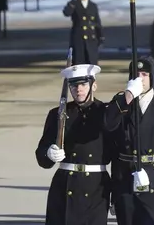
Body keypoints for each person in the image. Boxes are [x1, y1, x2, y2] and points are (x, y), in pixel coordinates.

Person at [104, 56, 154, 225]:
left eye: (144, 74)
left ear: (152, 77)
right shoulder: (121, 103)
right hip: (125, 182)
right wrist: (127, 96)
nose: (140, 78)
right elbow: (108, 125)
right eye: (136, 75)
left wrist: (153, 175)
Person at [35, 64, 112, 225]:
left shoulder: (106, 112)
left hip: (96, 186)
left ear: (94, 85)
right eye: (73, 85)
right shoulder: (58, 114)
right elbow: (41, 153)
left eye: (83, 84)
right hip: (65, 185)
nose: (78, 89)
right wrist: (49, 153)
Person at [62, 0, 104, 65]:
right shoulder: (75, 4)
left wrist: (101, 36)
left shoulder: (93, 6)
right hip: (78, 39)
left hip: (91, 38)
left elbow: (97, 22)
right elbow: (66, 13)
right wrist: (73, 2)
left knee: (91, 62)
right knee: (79, 63)